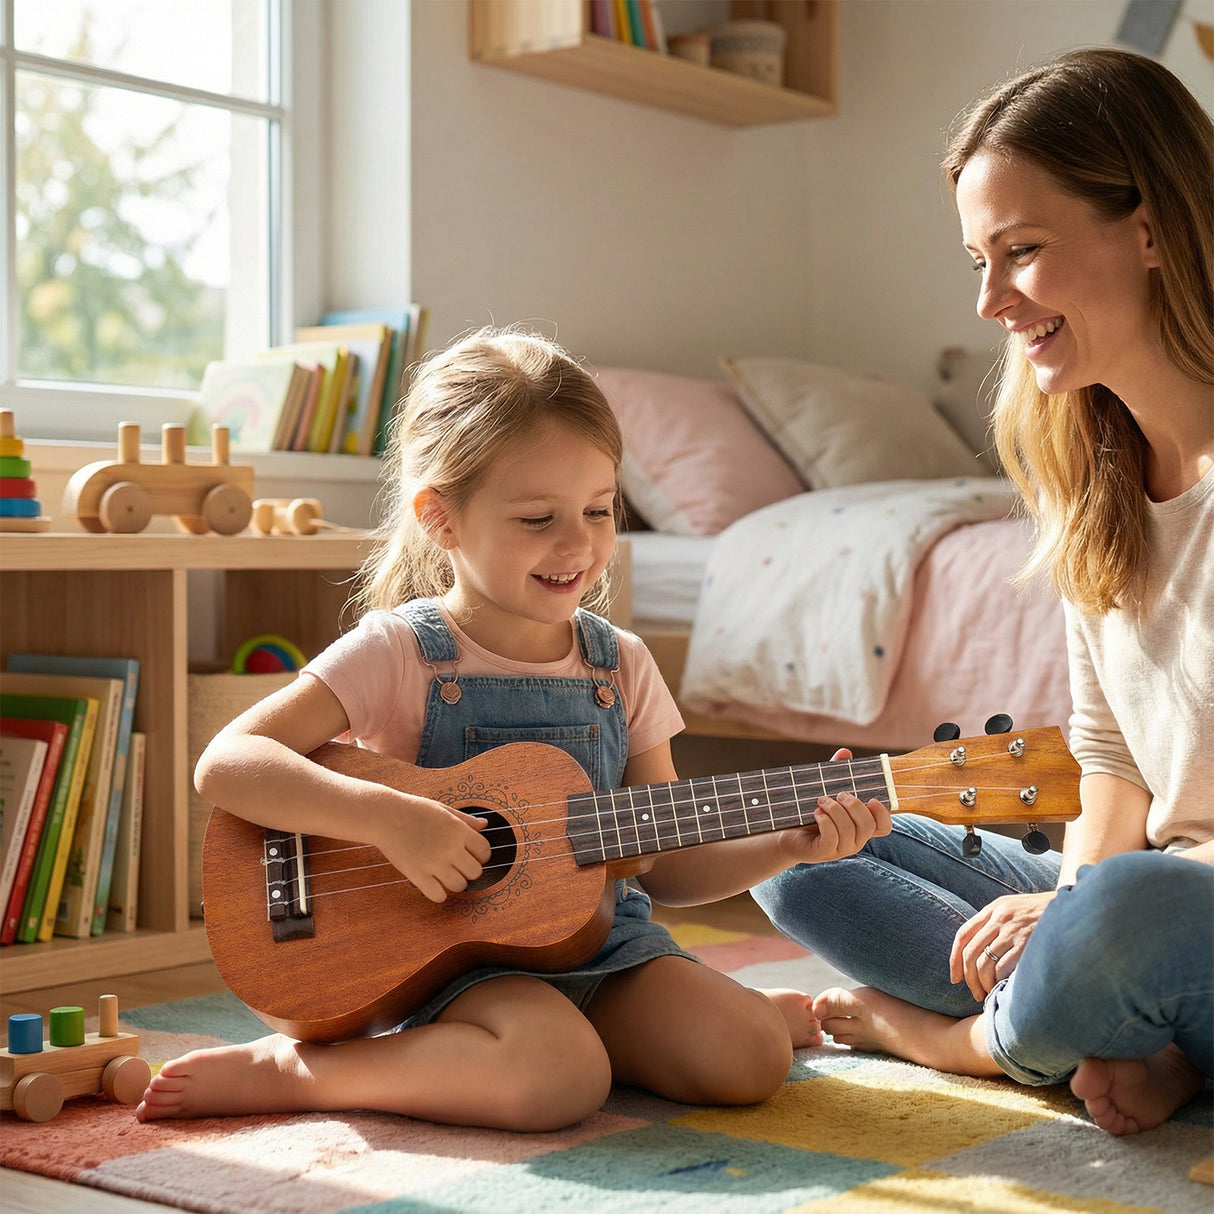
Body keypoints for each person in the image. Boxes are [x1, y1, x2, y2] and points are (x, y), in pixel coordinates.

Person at [136, 326, 892, 1131]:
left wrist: (789, 847)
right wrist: (387, 818)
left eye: (600, 510)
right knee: (555, 1081)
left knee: (749, 1058)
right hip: (458, 971)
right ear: (442, 519)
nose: (580, 543)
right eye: (538, 518)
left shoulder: (621, 664)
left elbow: (666, 865)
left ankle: (628, 1032)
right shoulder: (401, 650)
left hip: (605, 951)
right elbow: (228, 762)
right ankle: (307, 1074)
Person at [753, 46, 1213, 1137]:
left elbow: (1132, 879)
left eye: (1021, 252)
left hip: (1171, 905)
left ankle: (969, 1041)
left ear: (1147, 229)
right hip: (1146, 889)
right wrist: (1062, 899)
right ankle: (1124, 1037)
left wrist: (1073, 910)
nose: (988, 298)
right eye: (977, 257)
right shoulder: (1091, 486)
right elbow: (1107, 763)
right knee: (789, 834)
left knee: (1121, 912)